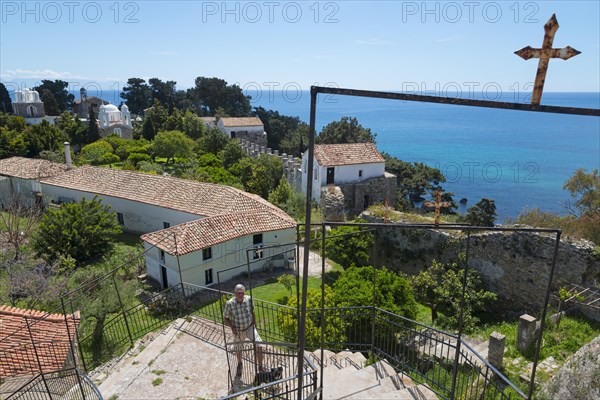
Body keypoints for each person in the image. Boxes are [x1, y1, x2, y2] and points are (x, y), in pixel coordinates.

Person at [223, 284, 264, 376]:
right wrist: (232, 327)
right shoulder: (230, 303)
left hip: (249, 328)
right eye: (238, 293)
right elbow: (225, 318)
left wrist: (254, 323)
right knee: (238, 348)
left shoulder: (249, 299)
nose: (240, 295)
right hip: (238, 330)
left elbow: (252, 312)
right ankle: (240, 364)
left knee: (259, 344)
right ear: (235, 293)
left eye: (242, 293)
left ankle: (261, 367)